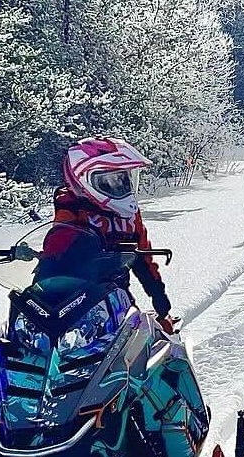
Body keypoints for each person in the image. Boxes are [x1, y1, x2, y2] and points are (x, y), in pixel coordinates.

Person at [42, 137, 177, 333]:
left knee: (150, 342)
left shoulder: (130, 215)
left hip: (117, 300)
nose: (120, 186)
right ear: (82, 180)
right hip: (72, 304)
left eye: (123, 178)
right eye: (109, 180)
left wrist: (159, 297)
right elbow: (52, 261)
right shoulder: (72, 212)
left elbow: (143, 256)